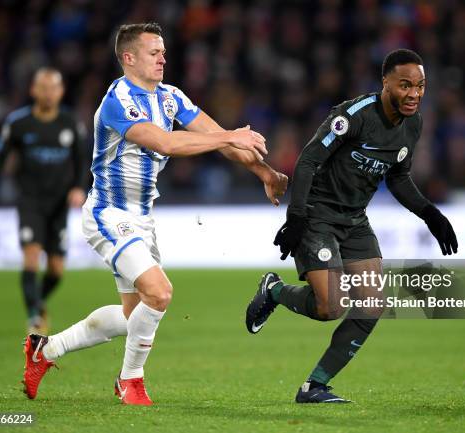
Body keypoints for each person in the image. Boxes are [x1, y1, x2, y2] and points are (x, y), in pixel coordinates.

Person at [21, 22, 288, 406]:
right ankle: (130, 381)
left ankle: (44, 351)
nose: (163, 58)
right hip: (108, 214)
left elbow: (215, 134)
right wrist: (229, 136)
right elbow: (166, 142)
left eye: (163, 51)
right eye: (154, 52)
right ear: (129, 58)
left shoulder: (170, 98)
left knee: (136, 316)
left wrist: (264, 172)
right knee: (160, 293)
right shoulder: (118, 100)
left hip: (142, 219)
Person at [245, 49, 458, 403]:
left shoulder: (414, 124)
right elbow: (310, 159)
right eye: (405, 85)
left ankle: (314, 387)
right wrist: (296, 216)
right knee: (331, 307)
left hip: (355, 220)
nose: (414, 94)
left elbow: (399, 177)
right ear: (385, 82)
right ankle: (276, 291)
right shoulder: (354, 115)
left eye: (420, 86)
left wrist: (430, 214)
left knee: (372, 306)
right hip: (317, 215)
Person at [0, 68, 87, 334]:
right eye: (42, 87)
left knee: (57, 269)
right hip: (30, 201)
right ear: (33, 90)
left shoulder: (70, 123)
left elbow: (82, 160)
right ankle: (34, 316)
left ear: (61, 91)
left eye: (53, 88)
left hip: (59, 204)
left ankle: (38, 300)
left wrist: (79, 188)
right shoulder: (18, 123)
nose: (47, 93)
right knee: (31, 256)